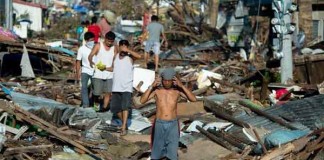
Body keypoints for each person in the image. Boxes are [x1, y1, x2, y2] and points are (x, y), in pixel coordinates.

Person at [140, 68, 197, 160]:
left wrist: (182, 86)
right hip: (159, 123)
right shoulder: (156, 91)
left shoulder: (177, 91)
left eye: (169, 81)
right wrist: (152, 85)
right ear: (161, 80)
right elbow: (142, 100)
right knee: (157, 148)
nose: (166, 83)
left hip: (173, 124)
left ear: (173, 80)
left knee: (172, 149)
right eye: (165, 80)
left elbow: (193, 99)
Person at [110, 40, 141, 136]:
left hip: (126, 87)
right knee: (115, 108)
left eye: (125, 46)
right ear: (119, 47)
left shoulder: (130, 57)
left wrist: (128, 50)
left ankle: (123, 127)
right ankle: (125, 123)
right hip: (116, 86)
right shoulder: (115, 56)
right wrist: (104, 68)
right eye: (122, 46)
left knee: (125, 107)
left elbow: (139, 56)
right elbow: (113, 68)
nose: (123, 48)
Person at [88, 31, 117, 111]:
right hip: (98, 74)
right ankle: (96, 108)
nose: (109, 43)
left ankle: (104, 108)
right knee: (97, 93)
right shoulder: (98, 45)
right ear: (105, 39)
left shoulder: (114, 48)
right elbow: (90, 55)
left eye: (111, 42)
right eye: (108, 41)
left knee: (108, 92)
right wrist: (91, 61)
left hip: (109, 74)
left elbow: (115, 60)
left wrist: (112, 68)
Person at [76, 32, 95, 108]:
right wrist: (78, 73)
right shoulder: (81, 49)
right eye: (91, 40)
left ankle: (93, 104)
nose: (92, 42)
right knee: (84, 87)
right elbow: (78, 61)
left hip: (95, 71)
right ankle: (85, 105)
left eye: (93, 40)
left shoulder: (96, 48)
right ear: (86, 41)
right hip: (85, 70)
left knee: (95, 89)